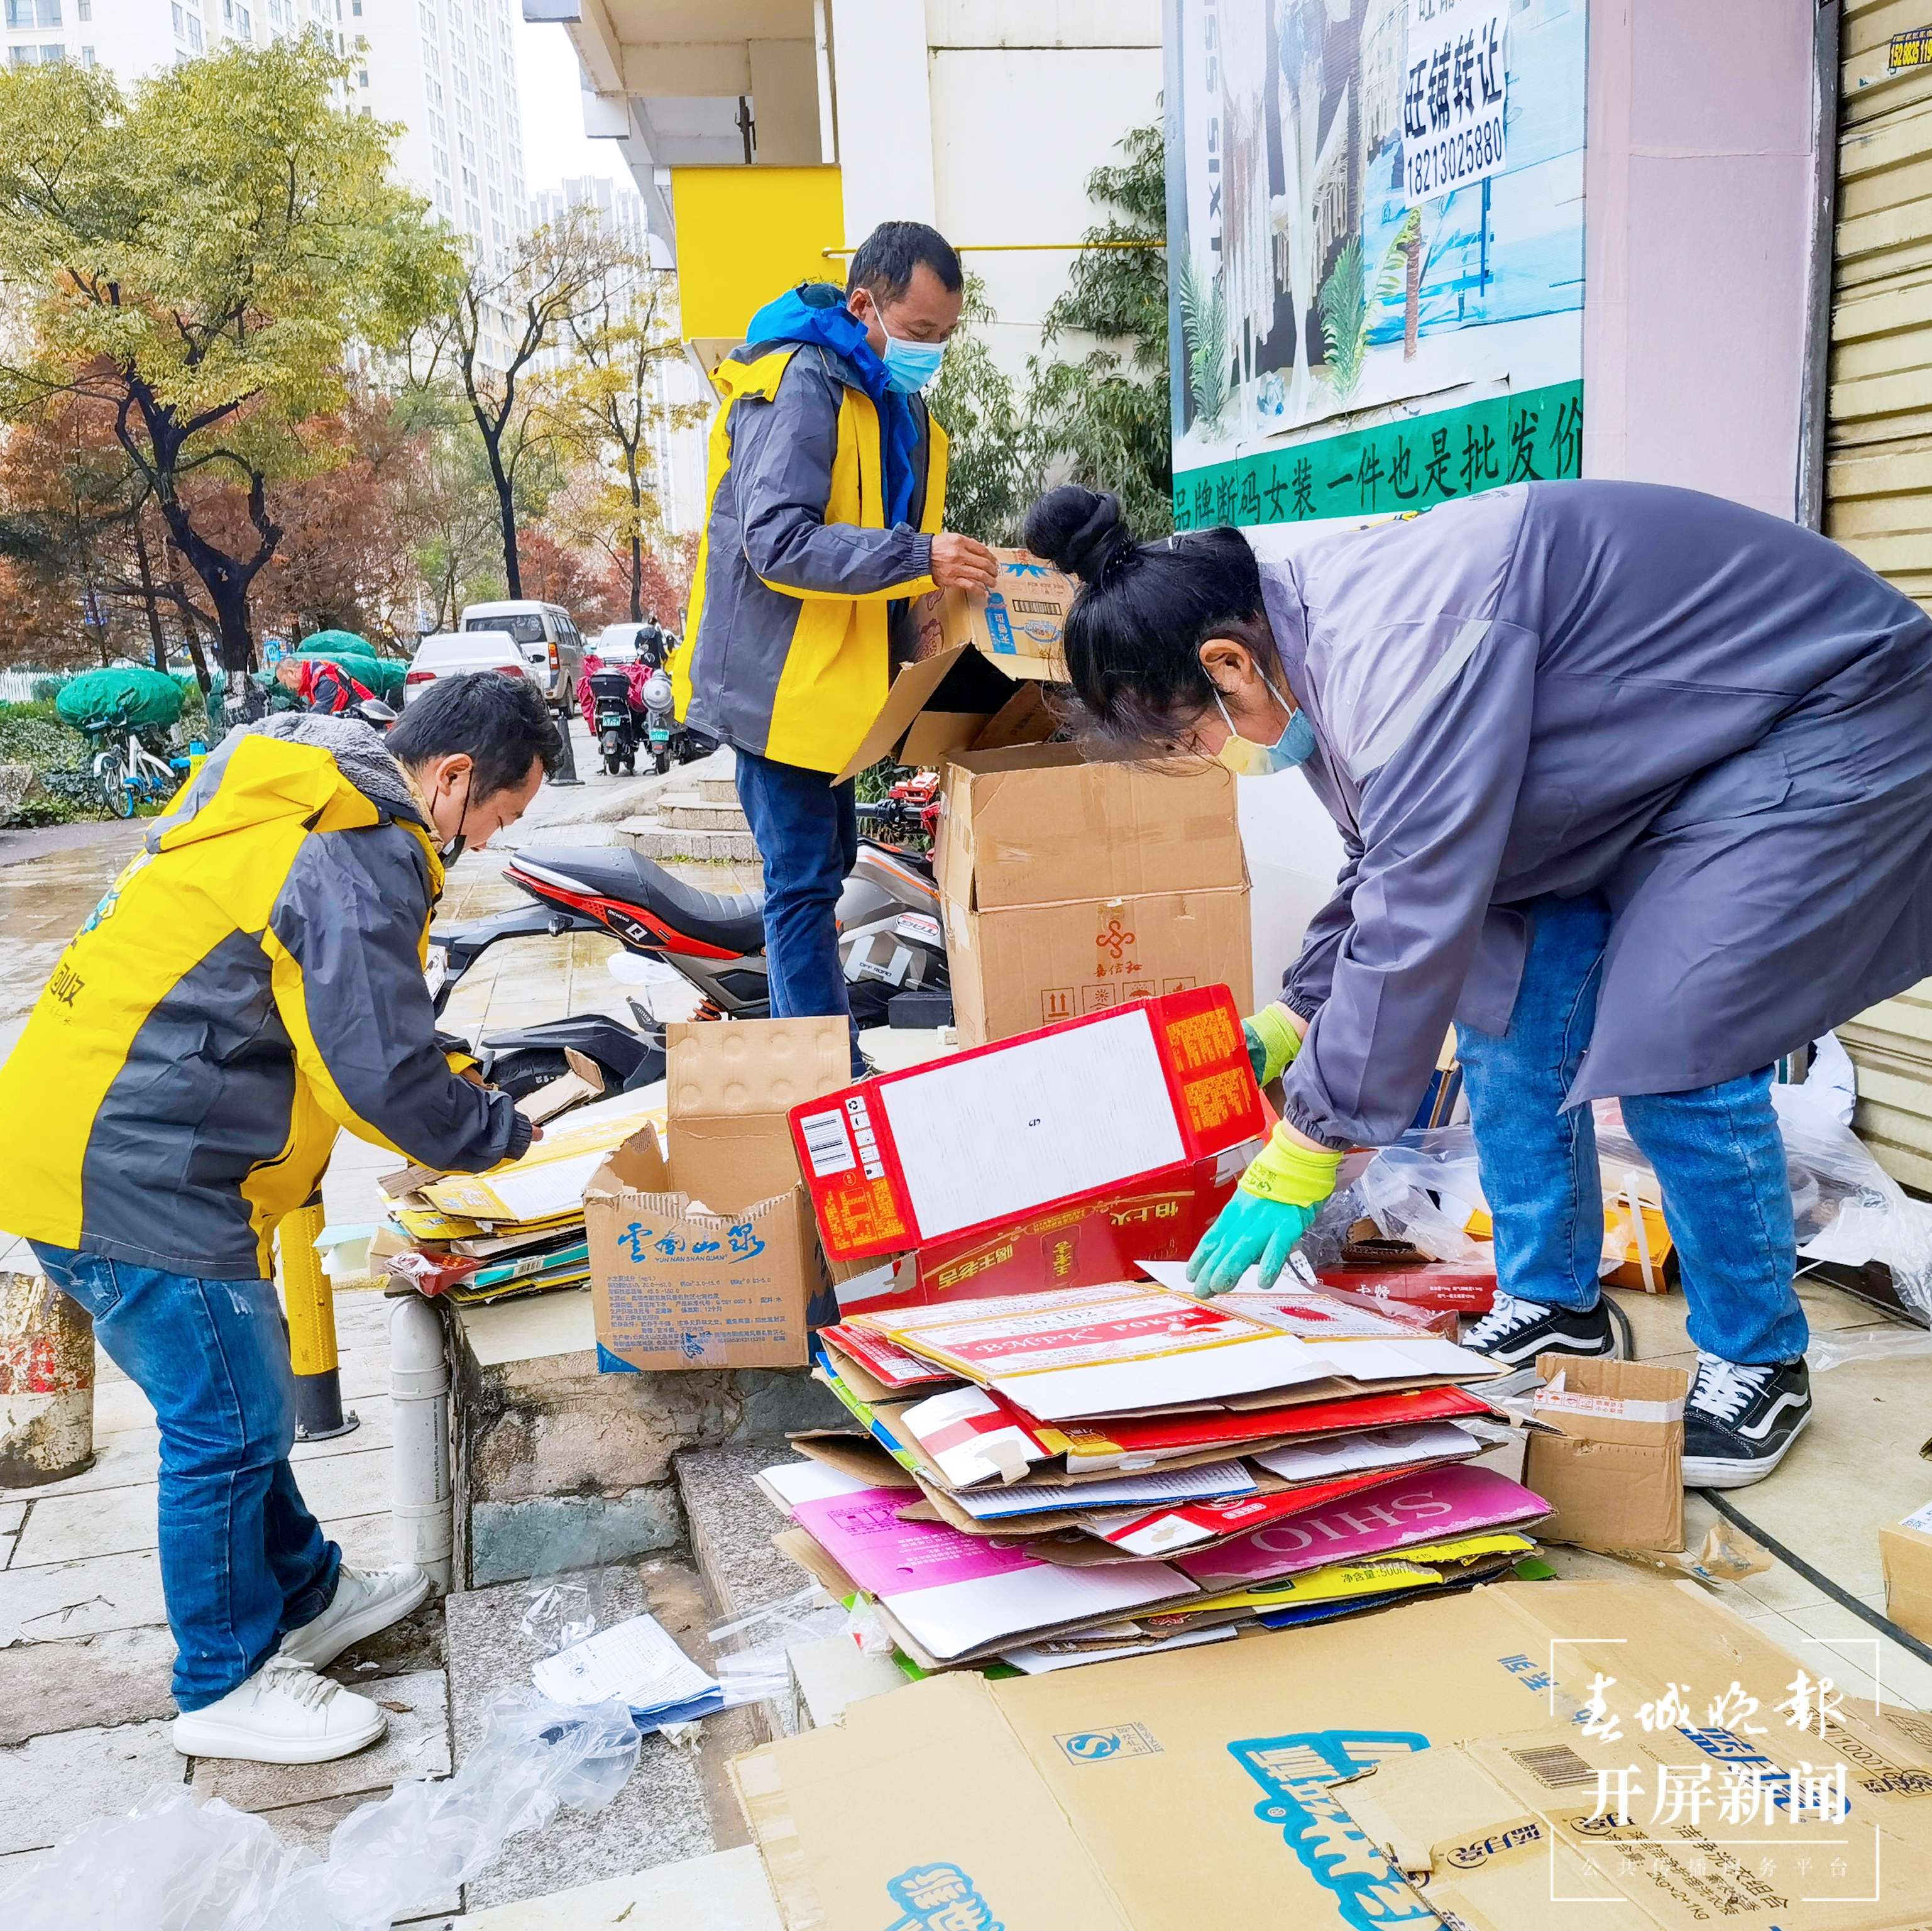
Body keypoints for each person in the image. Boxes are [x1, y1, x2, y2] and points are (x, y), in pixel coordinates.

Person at [1021, 478, 1932, 1490]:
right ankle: (1556, 1303)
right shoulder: (1303, 644)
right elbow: (1387, 861)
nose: (1218, 753)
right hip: (1648, 761)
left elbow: (1412, 910)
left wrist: (1309, 1143)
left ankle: (1757, 1357)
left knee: (1682, 1038)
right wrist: (1293, 1015)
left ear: (1226, 662)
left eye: (1197, 735)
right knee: (1504, 1013)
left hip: (1814, 709)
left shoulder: (1393, 646)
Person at [0, 673, 561, 1763]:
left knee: (239, 1401)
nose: (491, 842)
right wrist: (496, 1131)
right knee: (225, 1424)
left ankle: (305, 1595)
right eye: (501, 814)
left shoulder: (311, 803)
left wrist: (451, 1073)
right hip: (133, 1172)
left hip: (111, 1145)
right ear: (452, 779)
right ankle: (222, 1680)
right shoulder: (349, 851)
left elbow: (339, 1017)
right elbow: (378, 1074)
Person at [676, 220, 999, 1074]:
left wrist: (927, 611)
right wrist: (917, 558)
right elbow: (776, 541)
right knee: (802, 888)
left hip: (844, 694)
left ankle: (820, 1065)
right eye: (920, 333)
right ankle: (827, 1079)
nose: (930, 353)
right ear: (866, 304)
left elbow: (891, 546)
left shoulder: (902, 409)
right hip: (777, 692)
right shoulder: (796, 385)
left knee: (827, 869)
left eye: (943, 338)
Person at [275, 653, 373, 716]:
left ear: (292, 673)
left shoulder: (325, 679)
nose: (288, 687)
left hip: (377, 725)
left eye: (285, 682)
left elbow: (319, 717)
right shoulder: (314, 679)